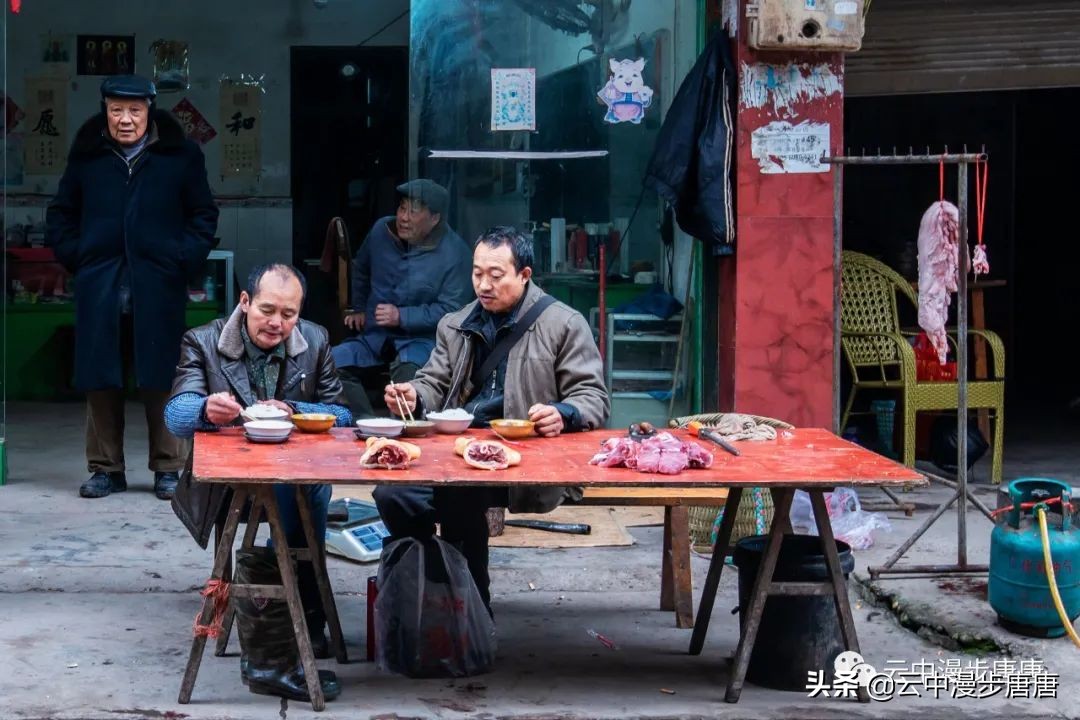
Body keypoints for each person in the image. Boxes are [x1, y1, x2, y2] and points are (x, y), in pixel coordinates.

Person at [375, 226, 610, 608]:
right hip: (459, 453)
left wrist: (563, 413)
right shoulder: (455, 323)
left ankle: (471, 607)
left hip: (528, 460)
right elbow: (433, 381)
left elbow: (593, 397)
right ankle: (429, 579)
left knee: (459, 495)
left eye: (496, 275)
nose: (484, 285)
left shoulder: (563, 324)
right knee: (392, 494)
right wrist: (413, 395)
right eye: (477, 273)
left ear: (524, 274)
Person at [164, 263, 350, 702]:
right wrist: (205, 410)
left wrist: (295, 410)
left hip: (293, 479)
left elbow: (343, 415)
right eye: (267, 310)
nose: (277, 323)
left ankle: (296, 621)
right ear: (245, 302)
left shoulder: (315, 341)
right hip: (229, 486)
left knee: (303, 488)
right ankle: (286, 634)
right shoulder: (204, 341)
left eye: (289, 314)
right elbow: (175, 415)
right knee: (289, 491)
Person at [45, 74, 219, 500]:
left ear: (149, 111)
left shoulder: (180, 156)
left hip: (158, 283)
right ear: (105, 110)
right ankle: (106, 469)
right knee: (100, 377)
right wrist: (80, 257)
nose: (125, 119)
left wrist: (181, 260)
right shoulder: (88, 156)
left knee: (162, 375)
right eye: (117, 110)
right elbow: (61, 213)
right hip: (100, 285)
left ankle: (168, 467)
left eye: (134, 111)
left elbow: (203, 215)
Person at [332, 179, 472, 418]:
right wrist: (359, 307)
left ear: (434, 218)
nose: (404, 218)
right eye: (402, 208)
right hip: (376, 337)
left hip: (419, 342)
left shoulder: (455, 253)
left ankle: (401, 432)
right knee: (331, 364)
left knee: (409, 381)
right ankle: (366, 424)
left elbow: (452, 310)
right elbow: (361, 268)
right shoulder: (381, 231)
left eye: (413, 212)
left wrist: (401, 316)